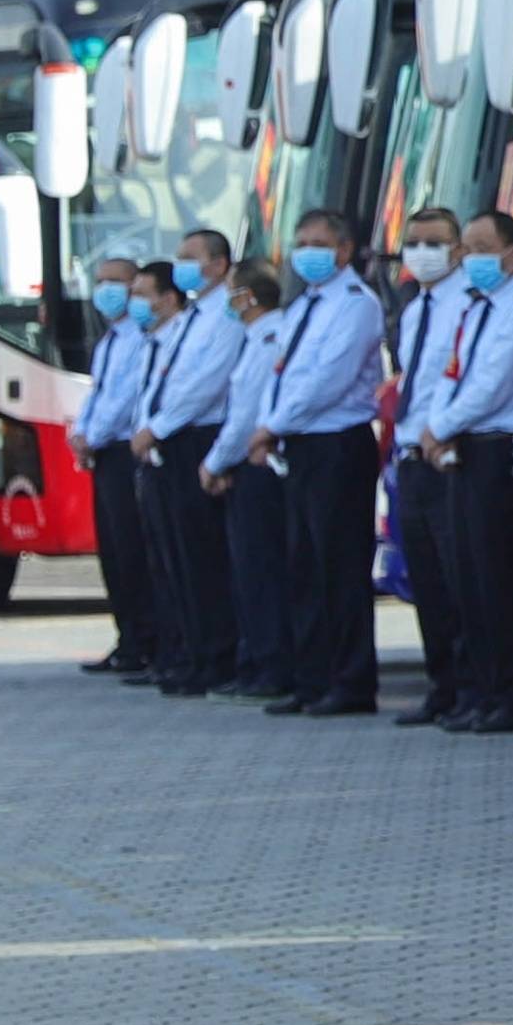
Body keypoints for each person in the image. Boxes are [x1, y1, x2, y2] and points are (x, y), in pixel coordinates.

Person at [411, 207, 513, 734]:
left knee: (502, 579)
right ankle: (484, 691)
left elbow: (494, 382)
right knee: (469, 579)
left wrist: (442, 425)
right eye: (466, 250)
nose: (468, 259)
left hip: (504, 451)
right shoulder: (476, 308)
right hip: (467, 448)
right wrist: (439, 426)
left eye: (479, 249)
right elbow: (451, 374)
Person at [258, 210, 390, 719]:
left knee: (339, 567)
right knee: (304, 566)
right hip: (301, 443)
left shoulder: (356, 305)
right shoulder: (302, 306)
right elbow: (284, 375)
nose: (306, 251)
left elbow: (328, 380)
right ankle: (312, 678)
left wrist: (274, 425)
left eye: (317, 243)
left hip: (337, 442)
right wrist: (274, 425)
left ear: (342, 250)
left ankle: (351, 680)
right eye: (300, 241)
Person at [140, 230, 245, 699]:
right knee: (179, 558)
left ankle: (216, 656)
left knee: (203, 558)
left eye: (191, 258)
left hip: (198, 435)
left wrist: (159, 427)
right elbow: (169, 378)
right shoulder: (191, 315)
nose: (181, 266)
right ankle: (192, 653)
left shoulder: (225, 312)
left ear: (220, 265)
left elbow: (206, 383)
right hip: (172, 438)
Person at [206, 257, 298, 703]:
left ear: (248, 296)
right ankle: (258, 661)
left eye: (232, 292)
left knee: (262, 572)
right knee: (250, 572)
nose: (228, 301)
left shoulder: (269, 338)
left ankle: (272, 664)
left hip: (259, 465)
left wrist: (216, 463)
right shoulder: (256, 336)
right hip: (250, 461)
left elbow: (246, 416)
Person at [386, 212, 467, 719]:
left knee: (459, 579)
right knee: (427, 581)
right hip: (411, 455)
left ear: (458, 249)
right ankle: (442, 688)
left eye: (434, 243)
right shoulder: (417, 308)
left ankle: (470, 687)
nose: (421, 252)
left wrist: (440, 431)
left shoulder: (468, 304)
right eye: (413, 243)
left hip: (448, 454)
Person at [71, 254, 165, 681]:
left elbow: (125, 397)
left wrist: (95, 434)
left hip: (125, 447)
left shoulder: (139, 337)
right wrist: (81, 432)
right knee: (112, 550)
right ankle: (127, 636)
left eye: (117, 282)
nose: (106, 290)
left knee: (133, 549)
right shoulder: (110, 340)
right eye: (100, 281)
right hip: (105, 452)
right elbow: (98, 394)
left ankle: (146, 639)